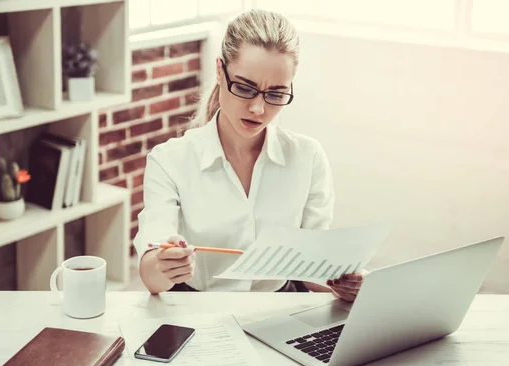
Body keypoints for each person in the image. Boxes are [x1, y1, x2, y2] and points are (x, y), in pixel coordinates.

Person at [133, 9, 366, 301]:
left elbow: (312, 271)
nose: (258, 109)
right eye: (244, 88)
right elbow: (150, 276)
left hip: (279, 305)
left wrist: (342, 282)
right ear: (220, 71)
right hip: (196, 307)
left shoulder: (308, 157)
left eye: (276, 94)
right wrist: (165, 265)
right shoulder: (169, 161)